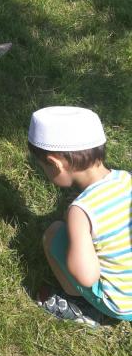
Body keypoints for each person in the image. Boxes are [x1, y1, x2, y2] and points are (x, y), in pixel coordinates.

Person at [28, 106, 132, 327]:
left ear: (56, 164)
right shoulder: (127, 178)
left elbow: (86, 276)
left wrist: (76, 232)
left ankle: (80, 304)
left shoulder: (81, 211)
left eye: (43, 167)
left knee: (53, 233)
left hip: (123, 303)